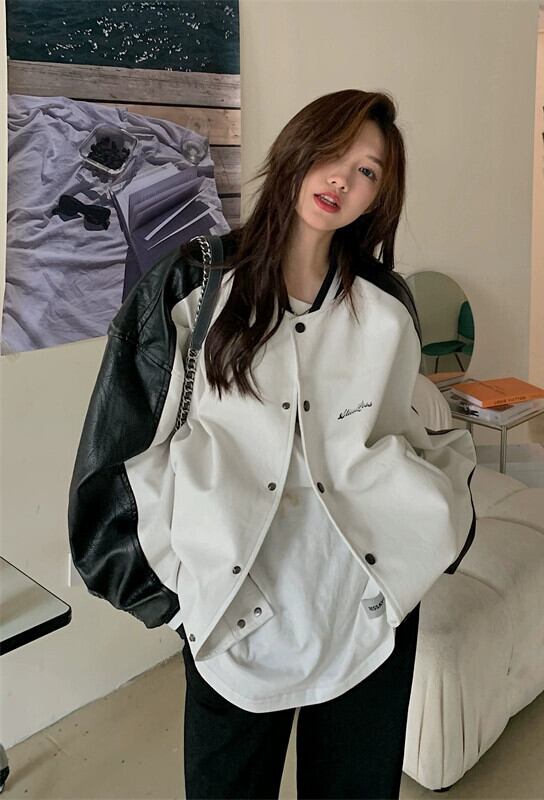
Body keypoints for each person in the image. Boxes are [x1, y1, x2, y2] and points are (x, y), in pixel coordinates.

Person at [68, 89, 477, 799]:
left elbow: (406, 431)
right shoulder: (195, 283)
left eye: (369, 171)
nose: (342, 179)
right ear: (297, 148)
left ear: (379, 197)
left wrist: (440, 522)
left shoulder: (384, 306)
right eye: (333, 153)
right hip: (234, 612)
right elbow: (126, 449)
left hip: (361, 602)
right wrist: (179, 595)